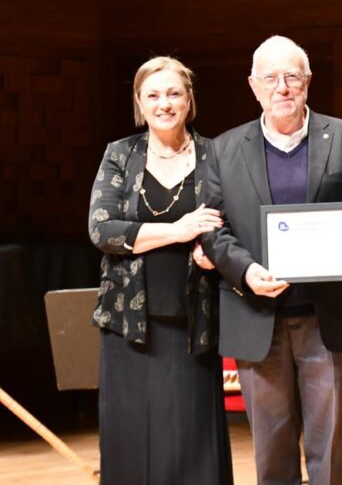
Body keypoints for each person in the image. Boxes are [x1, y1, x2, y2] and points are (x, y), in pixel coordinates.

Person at [202, 35, 342, 485]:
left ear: (308, 81)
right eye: (271, 77)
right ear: (253, 86)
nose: (282, 87)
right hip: (257, 320)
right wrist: (246, 271)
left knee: (330, 457)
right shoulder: (223, 149)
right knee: (272, 460)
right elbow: (213, 229)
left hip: (329, 322)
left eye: (292, 76)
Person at [87, 56, 233, 485]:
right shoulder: (120, 154)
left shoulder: (217, 155)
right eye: (152, 95)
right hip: (127, 328)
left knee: (191, 445)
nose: (163, 103)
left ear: (189, 100)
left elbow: (234, 223)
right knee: (130, 443)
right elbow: (101, 229)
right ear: (139, 103)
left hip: (194, 326)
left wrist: (213, 251)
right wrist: (179, 231)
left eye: (173, 93)